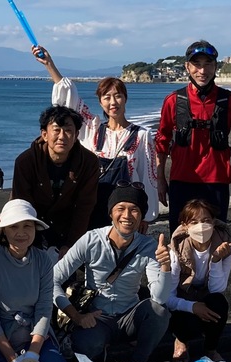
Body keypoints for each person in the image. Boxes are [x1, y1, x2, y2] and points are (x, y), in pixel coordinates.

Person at [32, 45, 160, 229]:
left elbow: (148, 178)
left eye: (118, 96)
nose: (113, 102)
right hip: (91, 211)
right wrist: (49, 65)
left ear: (125, 98)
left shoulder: (141, 135)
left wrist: (146, 216)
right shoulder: (92, 129)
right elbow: (70, 100)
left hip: (125, 214)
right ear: (100, 102)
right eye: (107, 97)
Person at [53, 185, 171, 362]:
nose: (127, 216)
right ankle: (101, 355)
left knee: (159, 312)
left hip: (130, 315)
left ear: (142, 216)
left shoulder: (149, 246)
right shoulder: (90, 240)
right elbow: (52, 280)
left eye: (134, 210)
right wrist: (76, 316)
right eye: (120, 208)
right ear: (110, 213)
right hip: (97, 317)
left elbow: (160, 298)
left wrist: (165, 266)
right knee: (85, 345)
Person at [155, 40, 231, 234]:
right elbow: (162, 140)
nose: (202, 71)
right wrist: (160, 179)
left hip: (216, 182)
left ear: (215, 66)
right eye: (197, 64)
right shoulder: (173, 100)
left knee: (216, 238)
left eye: (208, 64)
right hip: (181, 181)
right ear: (187, 67)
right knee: (180, 238)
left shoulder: (229, 100)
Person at [0, 199, 70, 362]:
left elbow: (44, 309)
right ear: (4, 230)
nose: (21, 232)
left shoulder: (43, 260)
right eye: (14, 226)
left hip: (34, 337)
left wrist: (33, 353)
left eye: (27, 226)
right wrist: (13, 359)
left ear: (35, 228)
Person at [12, 105, 99, 256]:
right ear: (45, 134)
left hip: (70, 225)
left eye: (68, 130)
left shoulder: (89, 162)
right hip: (35, 225)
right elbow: (22, 204)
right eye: (56, 130)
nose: (62, 136)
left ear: (76, 135)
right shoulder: (26, 162)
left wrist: (71, 244)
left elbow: (85, 206)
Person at [165, 199, 231, 362]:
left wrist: (216, 260)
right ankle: (181, 340)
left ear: (214, 222)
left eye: (206, 221)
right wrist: (193, 307)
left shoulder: (226, 243)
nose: (201, 227)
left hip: (206, 295)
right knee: (180, 320)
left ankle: (211, 349)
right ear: (185, 226)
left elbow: (218, 288)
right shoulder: (177, 248)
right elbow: (168, 297)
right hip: (183, 299)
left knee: (219, 303)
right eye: (194, 222)